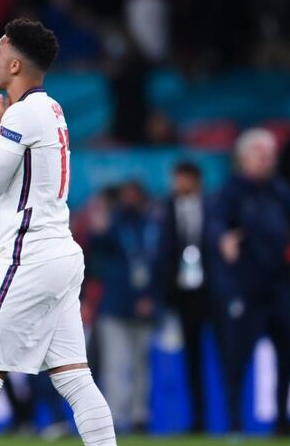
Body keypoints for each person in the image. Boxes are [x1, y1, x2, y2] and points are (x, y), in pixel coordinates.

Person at [0, 18, 117, 446]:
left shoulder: (22, 113)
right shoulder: (52, 108)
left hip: (29, 256)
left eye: (0, 48)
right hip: (59, 252)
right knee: (75, 378)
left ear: (17, 65)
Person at [212, 129, 290, 436]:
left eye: (270, 154)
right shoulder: (232, 190)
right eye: (261, 153)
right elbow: (216, 223)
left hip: (279, 284)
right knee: (237, 356)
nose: (267, 160)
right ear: (244, 157)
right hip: (246, 286)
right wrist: (224, 238)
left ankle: (283, 419)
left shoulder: (279, 189)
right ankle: (234, 423)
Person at [89, 181, 159, 433]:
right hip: (114, 305)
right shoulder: (114, 225)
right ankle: (114, 416)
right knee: (115, 363)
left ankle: (140, 416)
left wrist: (151, 296)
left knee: (142, 363)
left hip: (144, 305)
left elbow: (159, 264)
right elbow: (94, 252)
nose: (130, 200)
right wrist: (97, 229)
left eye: (134, 195)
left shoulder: (153, 225)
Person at [156, 162, 211, 433]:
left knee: (224, 356)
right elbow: (163, 254)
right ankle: (198, 421)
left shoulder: (212, 207)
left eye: (181, 179)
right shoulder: (166, 209)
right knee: (190, 359)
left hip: (211, 293)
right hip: (182, 295)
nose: (177, 184)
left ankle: (233, 419)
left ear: (195, 180)